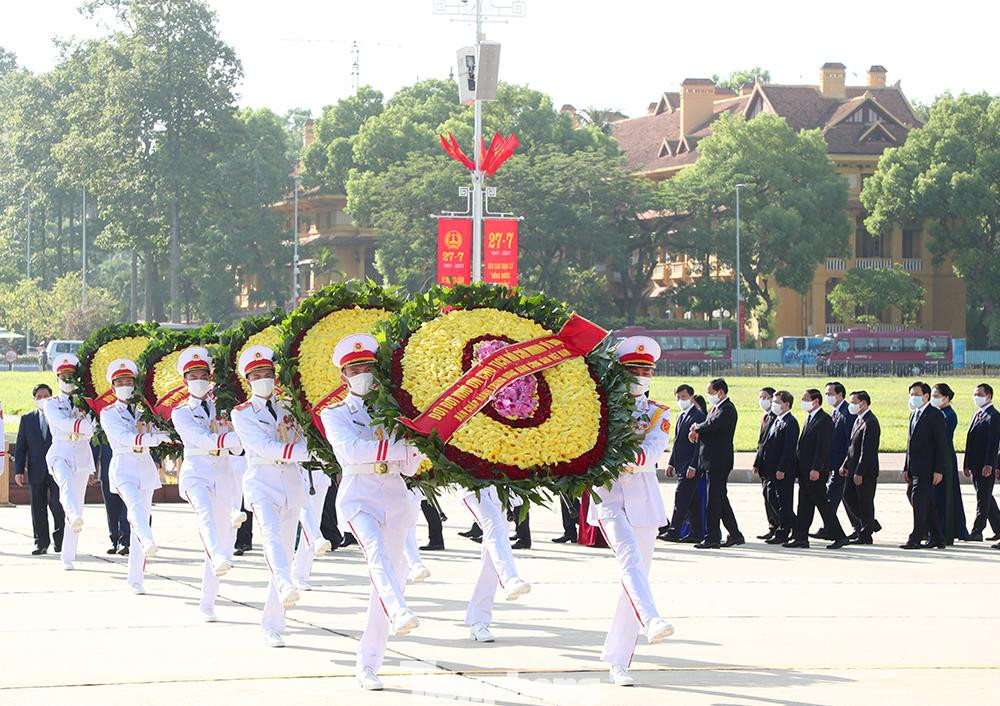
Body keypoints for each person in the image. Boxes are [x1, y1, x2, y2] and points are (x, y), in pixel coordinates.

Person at [320, 334, 424, 690]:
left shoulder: (396, 412)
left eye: (367, 367)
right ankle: (399, 610)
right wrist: (400, 446)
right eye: (355, 368)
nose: (362, 373)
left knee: (390, 572)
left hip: (395, 494)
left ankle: (368, 664)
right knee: (376, 555)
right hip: (357, 495)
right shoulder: (333, 413)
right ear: (343, 376)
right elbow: (351, 451)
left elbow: (410, 464)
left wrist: (419, 449)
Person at [589, 336, 674, 687]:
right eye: (633, 370)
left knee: (632, 580)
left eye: (646, 370)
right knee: (629, 563)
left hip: (644, 503)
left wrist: (623, 455)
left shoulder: (659, 413)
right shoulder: (598, 407)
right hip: (608, 500)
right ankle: (653, 618)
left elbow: (653, 451)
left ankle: (618, 660)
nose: (640, 375)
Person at [230, 345, 309, 648]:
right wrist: (304, 453)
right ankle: (285, 581)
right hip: (262, 480)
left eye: (268, 374)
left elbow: (301, 435)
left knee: (286, 547)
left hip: (290, 482)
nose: (264, 379)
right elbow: (263, 446)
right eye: (257, 375)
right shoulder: (242, 413)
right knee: (272, 537)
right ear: (248, 379)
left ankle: (272, 622)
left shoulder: (290, 407)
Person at [171, 346, 244, 621]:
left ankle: (207, 601)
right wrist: (237, 439)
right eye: (193, 375)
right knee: (205, 516)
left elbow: (236, 442)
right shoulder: (181, 412)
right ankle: (216, 554)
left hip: (223, 472)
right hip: (196, 472)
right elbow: (201, 439)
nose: (198, 379)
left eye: (203, 374)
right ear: (185, 381)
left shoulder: (225, 407)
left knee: (223, 534)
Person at [99, 359, 171, 593]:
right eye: (120, 382)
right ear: (113, 387)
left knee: (142, 513)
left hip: (144, 465)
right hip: (123, 465)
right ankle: (148, 539)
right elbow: (124, 437)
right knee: (134, 508)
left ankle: (136, 578)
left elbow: (159, 429)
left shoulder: (145, 411)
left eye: (129, 382)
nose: (125, 386)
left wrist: (166, 435)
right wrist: (156, 438)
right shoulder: (108, 413)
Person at [41, 357, 99, 570]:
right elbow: (61, 423)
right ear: (57, 378)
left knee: (78, 504)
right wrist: (82, 425)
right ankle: (72, 514)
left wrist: (85, 425)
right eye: (64, 376)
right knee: (65, 486)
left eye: (71, 376)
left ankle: (67, 556)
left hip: (82, 455)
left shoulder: (86, 402)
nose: (67, 380)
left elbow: (94, 428)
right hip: (60, 452)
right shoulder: (50, 403)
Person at [787, 389, 848, 549]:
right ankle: (801, 537)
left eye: (806, 399)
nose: (803, 401)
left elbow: (823, 448)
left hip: (815, 472)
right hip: (804, 471)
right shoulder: (810, 418)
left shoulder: (824, 420)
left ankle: (839, 536)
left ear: (816, 401)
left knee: (823, 505)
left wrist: (816, 469)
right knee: (804, 505)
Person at [689, 378, 743, 549]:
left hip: (719, 461)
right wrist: (698, 429)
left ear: (721, 392)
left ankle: (712, 537)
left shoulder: (727, 409)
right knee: (720, 498)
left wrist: (697, 427)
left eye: (711, 393)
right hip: (712, 460)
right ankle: (735, 534)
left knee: (713, 500)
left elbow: (712, 424)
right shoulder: (717, 408)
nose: (709, 396)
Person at [14, 383, 63, 556]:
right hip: (36, 470)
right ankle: (41, 543)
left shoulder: (60, 416)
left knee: (58, 505)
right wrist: (18, 471)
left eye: (46, 396)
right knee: (38, 507)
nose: (43, 399)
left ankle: (61, 541)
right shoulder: (27, 419)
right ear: (34, 399)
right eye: (39, 397)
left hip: (58, 469)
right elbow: (21, 447)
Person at [901, 381, 948, 549]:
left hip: (927, 468)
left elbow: (941, 445)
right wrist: (906, 467)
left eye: (916, 394)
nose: (913, 398)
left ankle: (916, 537)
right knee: (923, 501)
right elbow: (909, 443)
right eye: (911, 394)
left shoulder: (934, 415)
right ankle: (937, 536)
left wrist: (938, 470)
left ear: (926, 396)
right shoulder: (914, 414)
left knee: (919, 501)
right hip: (914, 468)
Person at [812, 382, 860, 540]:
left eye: (830, 394)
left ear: (840, 395)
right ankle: (860, 527)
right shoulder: (835, 413)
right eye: (826, 394)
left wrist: (846, 463)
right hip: (834, 464)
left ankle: (830, 528)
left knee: (832, 496)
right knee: (845, 497)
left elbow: (850, 441)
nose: (827, 397)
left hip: (842, 464)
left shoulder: (847, 413)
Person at [660, 383, 706, 543]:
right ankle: (697, 532)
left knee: (681, 498)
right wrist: (671, 463)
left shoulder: (698, 417)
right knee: (691, 501)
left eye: (684, 397)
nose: (681, 400)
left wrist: (694, 465)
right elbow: (677, 442)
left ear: (692, 397)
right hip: (680, 464)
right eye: (678, 397)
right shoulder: (681, 415)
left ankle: (674, 531)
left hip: (690, 466)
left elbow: (699, 445)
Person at [754, 390, 799, 545]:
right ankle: (792, 526)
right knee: (771, 496)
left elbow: (788, 449)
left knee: (783, 502)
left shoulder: (790, 422)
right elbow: (765, 444)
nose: (774, 405)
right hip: (770, 469)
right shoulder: (776, 420)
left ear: (786, 405)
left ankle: (784, 531)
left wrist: (782, 468)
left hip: (782, 471)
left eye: (777, 402)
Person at [839, 390, 881, 545]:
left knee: (865, 501)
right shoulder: (858, 420)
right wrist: (845, 464)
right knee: (848, 496)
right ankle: (869, 525)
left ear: (863, 403)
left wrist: (859, 472)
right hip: (853, 468)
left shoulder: (871, 422)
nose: (851, 405)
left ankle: (866, 534)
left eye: (854, 402)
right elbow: (852, 446)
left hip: (865, 471)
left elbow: (867, 451)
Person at [930, 384, 968, 543]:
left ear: (946, 398)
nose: (934, 399)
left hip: (945, 457)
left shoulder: (949, 415)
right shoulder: (937, 413)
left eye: (937, 396)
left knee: (945, 495)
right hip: (938, 456)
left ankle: (946, 530)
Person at [963, 383, 1000, 544]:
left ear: (989, 396)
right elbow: (970, 441)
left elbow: (993, 444)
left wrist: (990, 465)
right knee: (986, 497)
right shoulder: (977, 414)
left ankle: (977, 530)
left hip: (985, 466)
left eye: (979, 394)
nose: (976, 397)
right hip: (975, 464)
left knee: (982, 498)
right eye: (975, 393)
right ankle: (999, 528)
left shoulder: (994, 416)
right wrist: (966, 463)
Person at [291, 466, 334, 592]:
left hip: (321, 472)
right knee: (304, 513)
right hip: (297, 471)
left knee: (314, 518)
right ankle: (316, 538)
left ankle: (300, 574)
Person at [752, 387, 780, 540]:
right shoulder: (765, 417)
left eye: (765, 397)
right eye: (760, 396)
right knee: (766, 497)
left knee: (773, 497)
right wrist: (757, 462)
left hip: (773, 464)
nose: (762, 400)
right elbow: (761, 443)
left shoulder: (777, 418)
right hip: (763, 463)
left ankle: (781, 526)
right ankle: (772, 526)